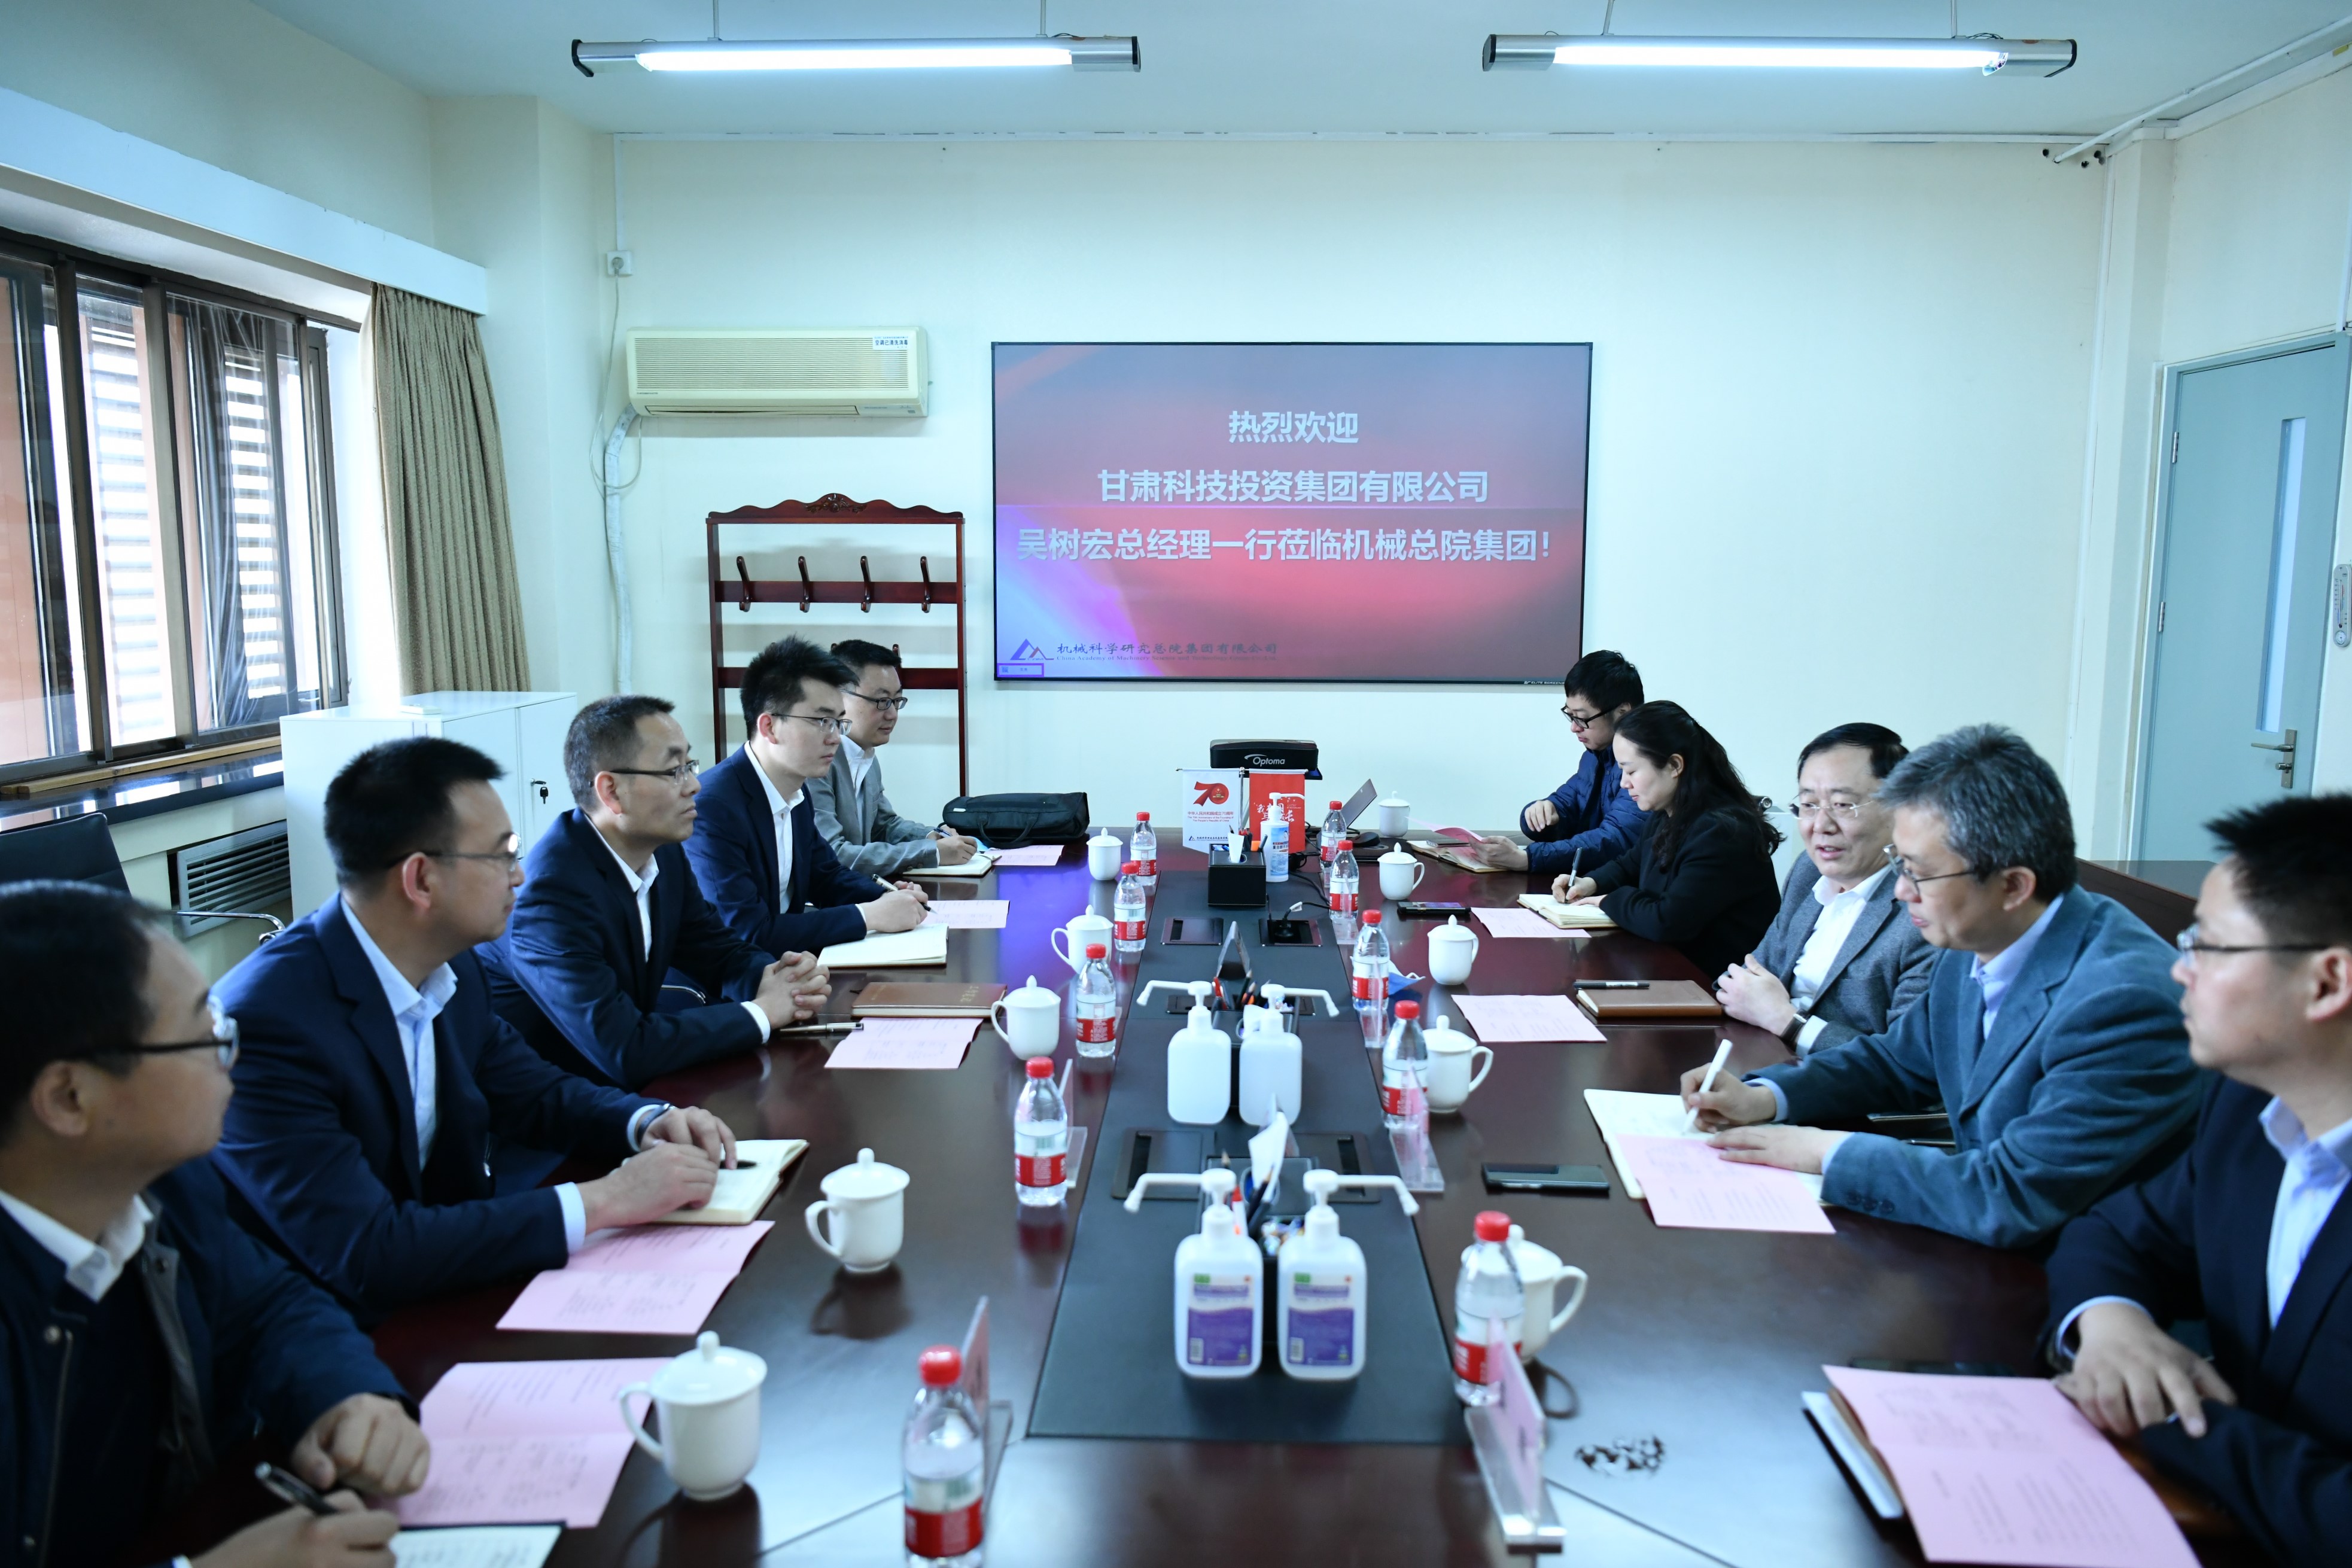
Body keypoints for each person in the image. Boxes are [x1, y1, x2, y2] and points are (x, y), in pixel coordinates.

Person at [213, 737, 738, 1322]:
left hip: (447, 1279)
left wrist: (644, 1120)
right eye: (502, 856)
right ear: (421, 879)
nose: (520, 875)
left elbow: (532, 1091)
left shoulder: (451, 962)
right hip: (322, 1329)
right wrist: (606, 1200)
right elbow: (364, 1250)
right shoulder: (267, 1023)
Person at [0, 881, 430, 1568]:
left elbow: (267, 1306)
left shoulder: (163, 1183)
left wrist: (347, 1394)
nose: (231, 1048)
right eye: (200, 1032)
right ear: (69, 1096)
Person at [1682, 724, 2202, 1250]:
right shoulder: (1979, 931)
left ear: (2013, 885)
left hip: (2083, 1268)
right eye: (1900, 865)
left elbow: (2010, 1196)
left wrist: (1826, 1152)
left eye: (1919, 873)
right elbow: (1899, 1060)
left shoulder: (2121, 1002)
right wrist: (1765, 1096)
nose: (1900, 891)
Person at [2043, 795, 2352, 1565]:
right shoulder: (2249, 1107)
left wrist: (2165, 1414)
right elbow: (2115, 1231)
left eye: (2207, 945)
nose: (2178, 968)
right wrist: (2111, 1325)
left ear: (2326, 981)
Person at [477, 696, 835, 1090]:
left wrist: (773, 977)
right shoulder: (550, 895)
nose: (694, 785)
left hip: (624, 1084)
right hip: (557, 1104)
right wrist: (763, 1013)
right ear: (611, 791)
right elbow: (623, 1048)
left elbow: (713, 948)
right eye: (674, 771)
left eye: (689, 766)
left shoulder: (660, 850)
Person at [686, 636, 932, 955]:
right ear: (770, 727)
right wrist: (868, 915)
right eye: (822, 722)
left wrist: (885, 896)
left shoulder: (796, 789)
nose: (835, 738)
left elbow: (826, 876)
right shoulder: (713, 808)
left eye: (838, 722)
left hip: (786, 965)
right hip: (734, 978)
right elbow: (747, 933)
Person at [1715, 723, 1934, 1056]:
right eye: (1809, 805)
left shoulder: (1926, 910)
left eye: (1843, 805)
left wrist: (1788, 1021)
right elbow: (1752, 973)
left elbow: (1911, 1061)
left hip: (1842, 1084)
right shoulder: (1809, 871)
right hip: (1763, 1058)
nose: (1820, 825)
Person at [1548, 701, 1780, 979]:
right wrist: (1589, 884)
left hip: (1716, 987)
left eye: (1631, 771)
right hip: (1673, 970)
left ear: (1674, 765)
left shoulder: (1722, 832)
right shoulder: (1667, 814)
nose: (1624, 783)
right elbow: (1629, 864)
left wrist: (1608, 901)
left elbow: (1667, 921)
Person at [808, 638, 980, 878]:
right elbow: (833, 854)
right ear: (838, 696)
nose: (892, 714)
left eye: (897, 701)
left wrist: (932, 836)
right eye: (882, 701)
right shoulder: (815, 761)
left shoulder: (865, 755)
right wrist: (931, 852)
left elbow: (884, 826)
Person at [1476, 648, 1647, 873]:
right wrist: (1542, 812)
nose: (1574, 727)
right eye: (1570, 715)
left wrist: (1528, 859)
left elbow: (1615, 840)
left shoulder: (1647, 763)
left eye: (1582, 718)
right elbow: (1565, 802)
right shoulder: (1594, 758)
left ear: (1622, 712)